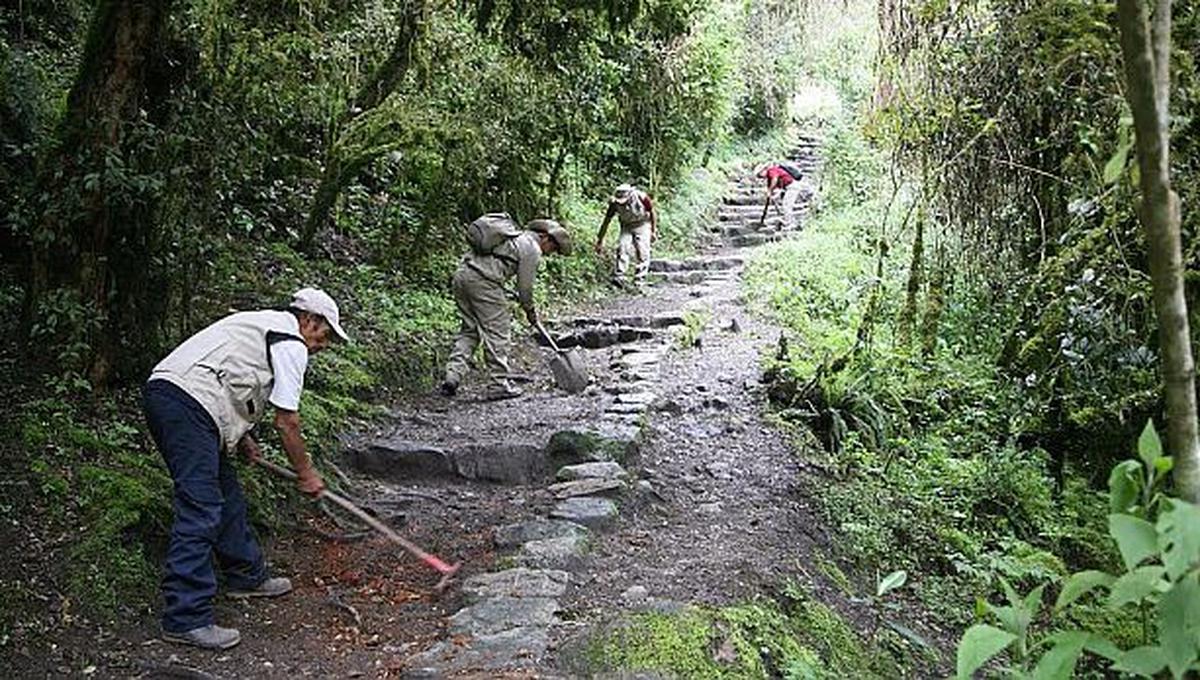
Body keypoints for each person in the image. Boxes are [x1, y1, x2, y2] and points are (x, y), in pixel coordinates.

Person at [142, 287, 348, 650]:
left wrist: (244, 437)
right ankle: (185, 618)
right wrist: (306, 472)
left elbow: (234, 377)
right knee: (200, 507)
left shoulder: (265, 325)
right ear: (309, 320)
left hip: (185, 401)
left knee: (225, 494)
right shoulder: (290, 342)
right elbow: (287, 422)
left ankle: (246, 576)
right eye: (324, 334)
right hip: (189, 404)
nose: (323, 344)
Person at [441, 216, 572, 401]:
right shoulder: (532, 247)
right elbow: (525, 288)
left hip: (462, 276)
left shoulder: (511, 238)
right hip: (484, 283)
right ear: (545, 237)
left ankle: (452, 377)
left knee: (469, 331)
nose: (552, 253)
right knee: (498, 334)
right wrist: (530, 311)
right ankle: (498, 384)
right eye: (554, 248)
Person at [594, 183, 657, 288]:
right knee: (622, 247)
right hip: (626, 225)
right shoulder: (614, 204)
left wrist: (653, 231)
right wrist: (600, 240)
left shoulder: (641, 197)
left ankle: (640, 279)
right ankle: (620, 276)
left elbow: (652, 212)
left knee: (642, 250)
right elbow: (606, 221)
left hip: (642, 224)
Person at [756, 162, 803, 230]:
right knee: (780, 203)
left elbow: (775, 179)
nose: (761, 177)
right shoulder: (769, 177)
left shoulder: (771, 170)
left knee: (786, 205)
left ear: (763, 170)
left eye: (760, 175)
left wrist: (770, 190)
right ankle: (785, 220)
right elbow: (770, 188)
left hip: (792, 186)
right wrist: (770, 194)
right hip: (786, 188)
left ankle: (789, 223)